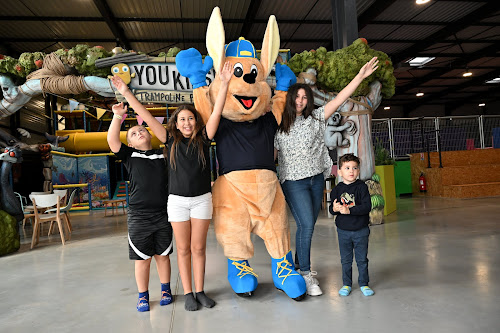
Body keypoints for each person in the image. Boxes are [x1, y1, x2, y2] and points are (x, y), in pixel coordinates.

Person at [110, 60, 232, 311]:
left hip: (201, 200)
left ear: (196, 123)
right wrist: (126, 93)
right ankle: (187, 292)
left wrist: (225, 84)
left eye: (190, 119)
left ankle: (200, 290)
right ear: (175, 124)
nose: (187, 123)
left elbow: (217, 111)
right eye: (182, 120)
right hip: (176, 202)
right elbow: (143, 114)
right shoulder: (168, 141)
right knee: (184, 249)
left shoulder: (204, 139)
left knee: (199, 248)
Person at [274, 57, 378, 296]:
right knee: (307, 224)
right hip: (293, 182)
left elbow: (341, 97)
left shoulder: (317, 118)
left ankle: (300, 265)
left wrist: (360, 76)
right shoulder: (279, 126)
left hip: (315, 179)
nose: (300, 101)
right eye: (297, 97)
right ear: (291, 99)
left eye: (304, 97)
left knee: (304, 224)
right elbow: (270, 156)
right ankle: (306, 275)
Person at [107, 103, 173, 312]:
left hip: (163, 214)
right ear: (131, 144)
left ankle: (165, 289)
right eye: (134, 133)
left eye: (142, 130)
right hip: (139, 216)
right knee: (142, 259)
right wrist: (118, 116)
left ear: (150, 134)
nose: (139, 132)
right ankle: (143, 295)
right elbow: (112, 140)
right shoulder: (129, 156)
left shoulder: (163, 155)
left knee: (163, 256)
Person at [329, 153, 374, 297]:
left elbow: (367, 206)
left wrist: (350, 210)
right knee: (346, 260)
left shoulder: (362, 187)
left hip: (361, 230)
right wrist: (334, 209)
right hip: (343, 231)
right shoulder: (337, 190)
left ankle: (364, 283)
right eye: (347, 168)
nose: (351, 171)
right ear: (340, 172)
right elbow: (332, 208)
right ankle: (346, 284)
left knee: (362, 259)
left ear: (358, 171)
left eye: (355, 168)